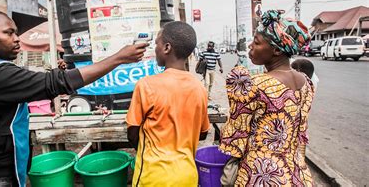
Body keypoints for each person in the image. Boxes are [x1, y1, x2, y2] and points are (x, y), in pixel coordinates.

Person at [0, 10, 148, 186]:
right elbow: (56, 82)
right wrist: (119, 58)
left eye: (16, 33)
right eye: (8, 33)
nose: (17, 40)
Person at [220, 10, 313, 186]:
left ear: (277, 50)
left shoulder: (253, 85)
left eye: (256, 42)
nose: (250, 46)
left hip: (260, 175)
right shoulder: (307, 83)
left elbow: (235, 138)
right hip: (296, 174)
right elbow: (301, 132)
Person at [126, 21, 210, 186]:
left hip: (154, 176)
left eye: (157, 43)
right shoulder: (200, 88)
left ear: (166, 48)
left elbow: (132, 133)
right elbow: (203, 133)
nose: (155, 48)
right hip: (188, 175)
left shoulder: (146, 85)